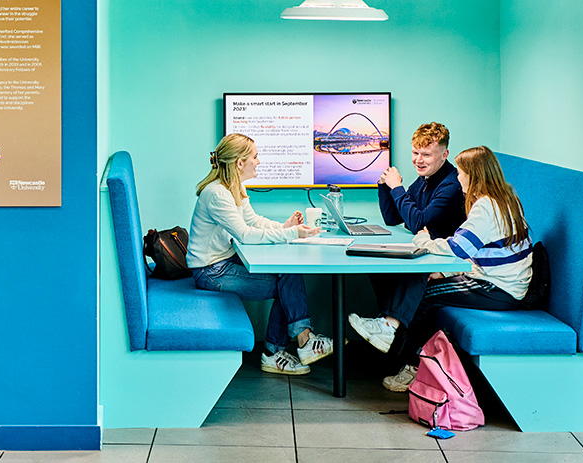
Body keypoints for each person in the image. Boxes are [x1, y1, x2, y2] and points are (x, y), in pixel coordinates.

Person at [352, 146, 533, 391]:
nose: (458, 179)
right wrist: (446, 269)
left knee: (423, 297)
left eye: (461, 173)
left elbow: (459, 248)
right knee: (425, 279)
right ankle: (390, 330)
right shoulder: (507, 197)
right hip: (501, 283)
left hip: (497, 290)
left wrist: (425, 242)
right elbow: (479, 251)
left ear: (474, 175)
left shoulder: (486, 206)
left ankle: (411, 364)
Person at [187, 133, 333, 375]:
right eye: (255, 156)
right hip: (210, 272)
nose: (259, 161)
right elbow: (245, 234)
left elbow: (252, 220)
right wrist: (292, 233)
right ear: (239, 163)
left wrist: (284, 227)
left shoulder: (234, 187)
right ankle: (285, 349)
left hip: (223, 262)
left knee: (288, 276)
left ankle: (295, 345)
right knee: (285, 286)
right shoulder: (217, 194)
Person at [364, 122, 466, 350]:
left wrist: (397, 187)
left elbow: (418, 221)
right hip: (426, 252)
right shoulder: (424, 180)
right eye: (415, 153)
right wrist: (385, 187)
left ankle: (393, 337)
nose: (419, 160)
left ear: (444, 154)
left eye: (426, 154)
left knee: (402, 277)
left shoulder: (451, 185)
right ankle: (388, 333)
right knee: (375, 268)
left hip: (444, 261)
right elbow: (394, 218)